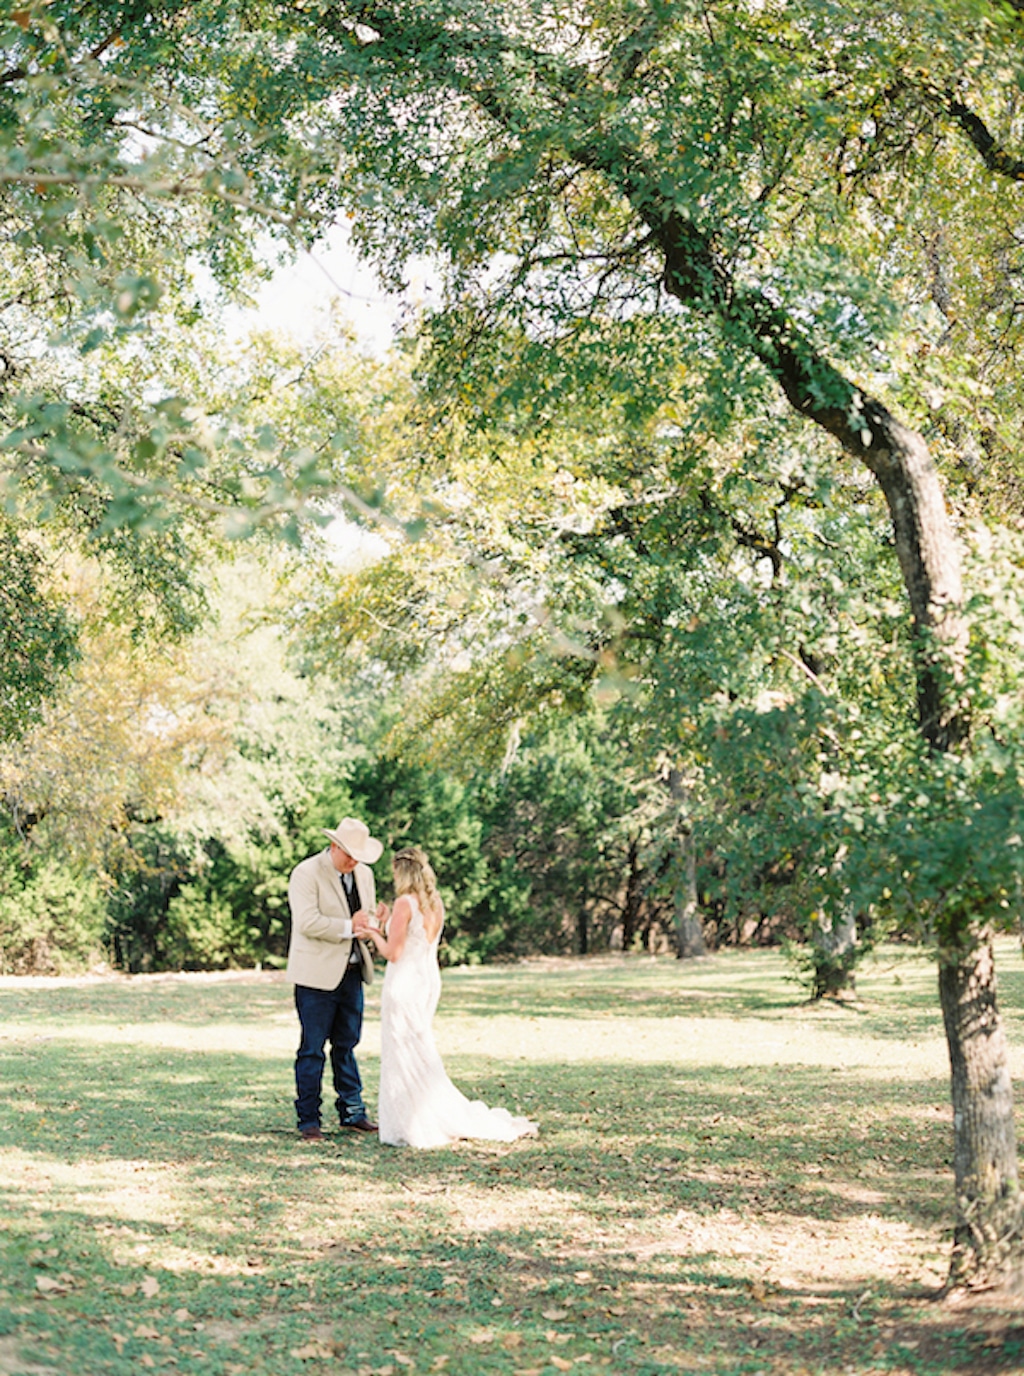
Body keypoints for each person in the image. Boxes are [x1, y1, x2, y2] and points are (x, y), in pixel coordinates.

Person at [353, 846, 538, 1148]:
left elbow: (393, 952)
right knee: (419, 1047)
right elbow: (414, 938)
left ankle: (413, 1120)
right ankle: (424, 1111)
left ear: (401, 872)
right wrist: (386, 922)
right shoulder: (434, 902)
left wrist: (373, 932)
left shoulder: (404, 902)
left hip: (404, 984)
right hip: (426, 981)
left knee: (402, 1051)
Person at [286, 817, 389, 1141]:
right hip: (315, 977)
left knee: (347, 1045)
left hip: (353, 973)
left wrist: (376, 925)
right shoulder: (306, 873)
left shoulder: (365, 874)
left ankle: (353, 1112)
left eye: (359, 856)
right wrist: (350, 926)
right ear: (334, 846)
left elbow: (365, 920)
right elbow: (307, 922)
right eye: (349, 855)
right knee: (312, 1050)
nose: (354, 861)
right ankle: (308, 1120)